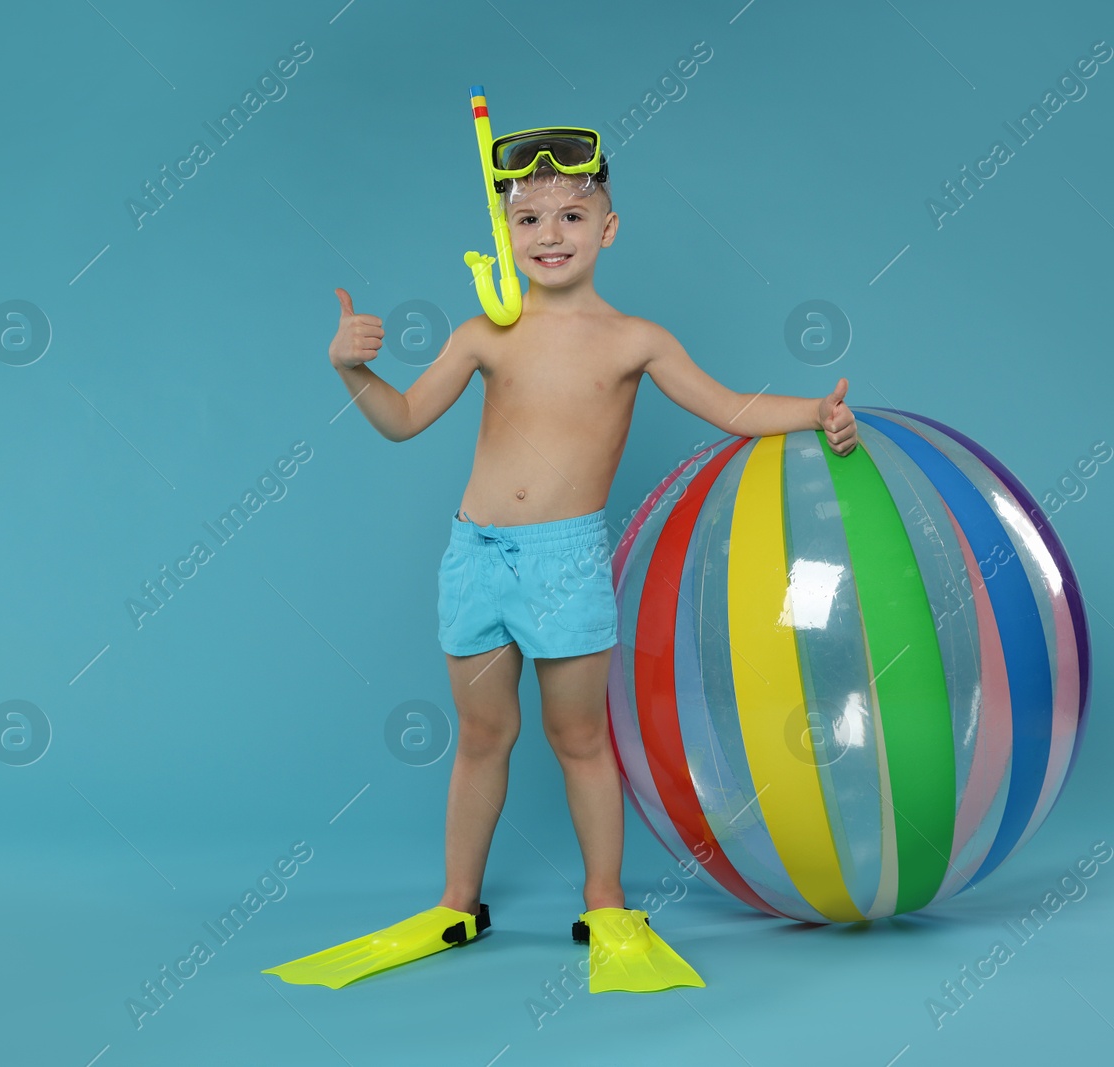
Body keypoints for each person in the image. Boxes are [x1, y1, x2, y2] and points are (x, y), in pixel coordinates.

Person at [264, 129, 856, 994]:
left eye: (573, 214)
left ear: (608, 229)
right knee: (482, 735)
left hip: (565, 564)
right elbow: (399, 420)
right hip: (475, 557)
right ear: (505, 235)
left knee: (579, 736)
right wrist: (349, 369)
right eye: (529, 216)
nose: (551, 232)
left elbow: (730, 407)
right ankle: (456, 903)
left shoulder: (634, 341)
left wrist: (818, 411)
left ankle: (606, 900)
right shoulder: (483, 336)